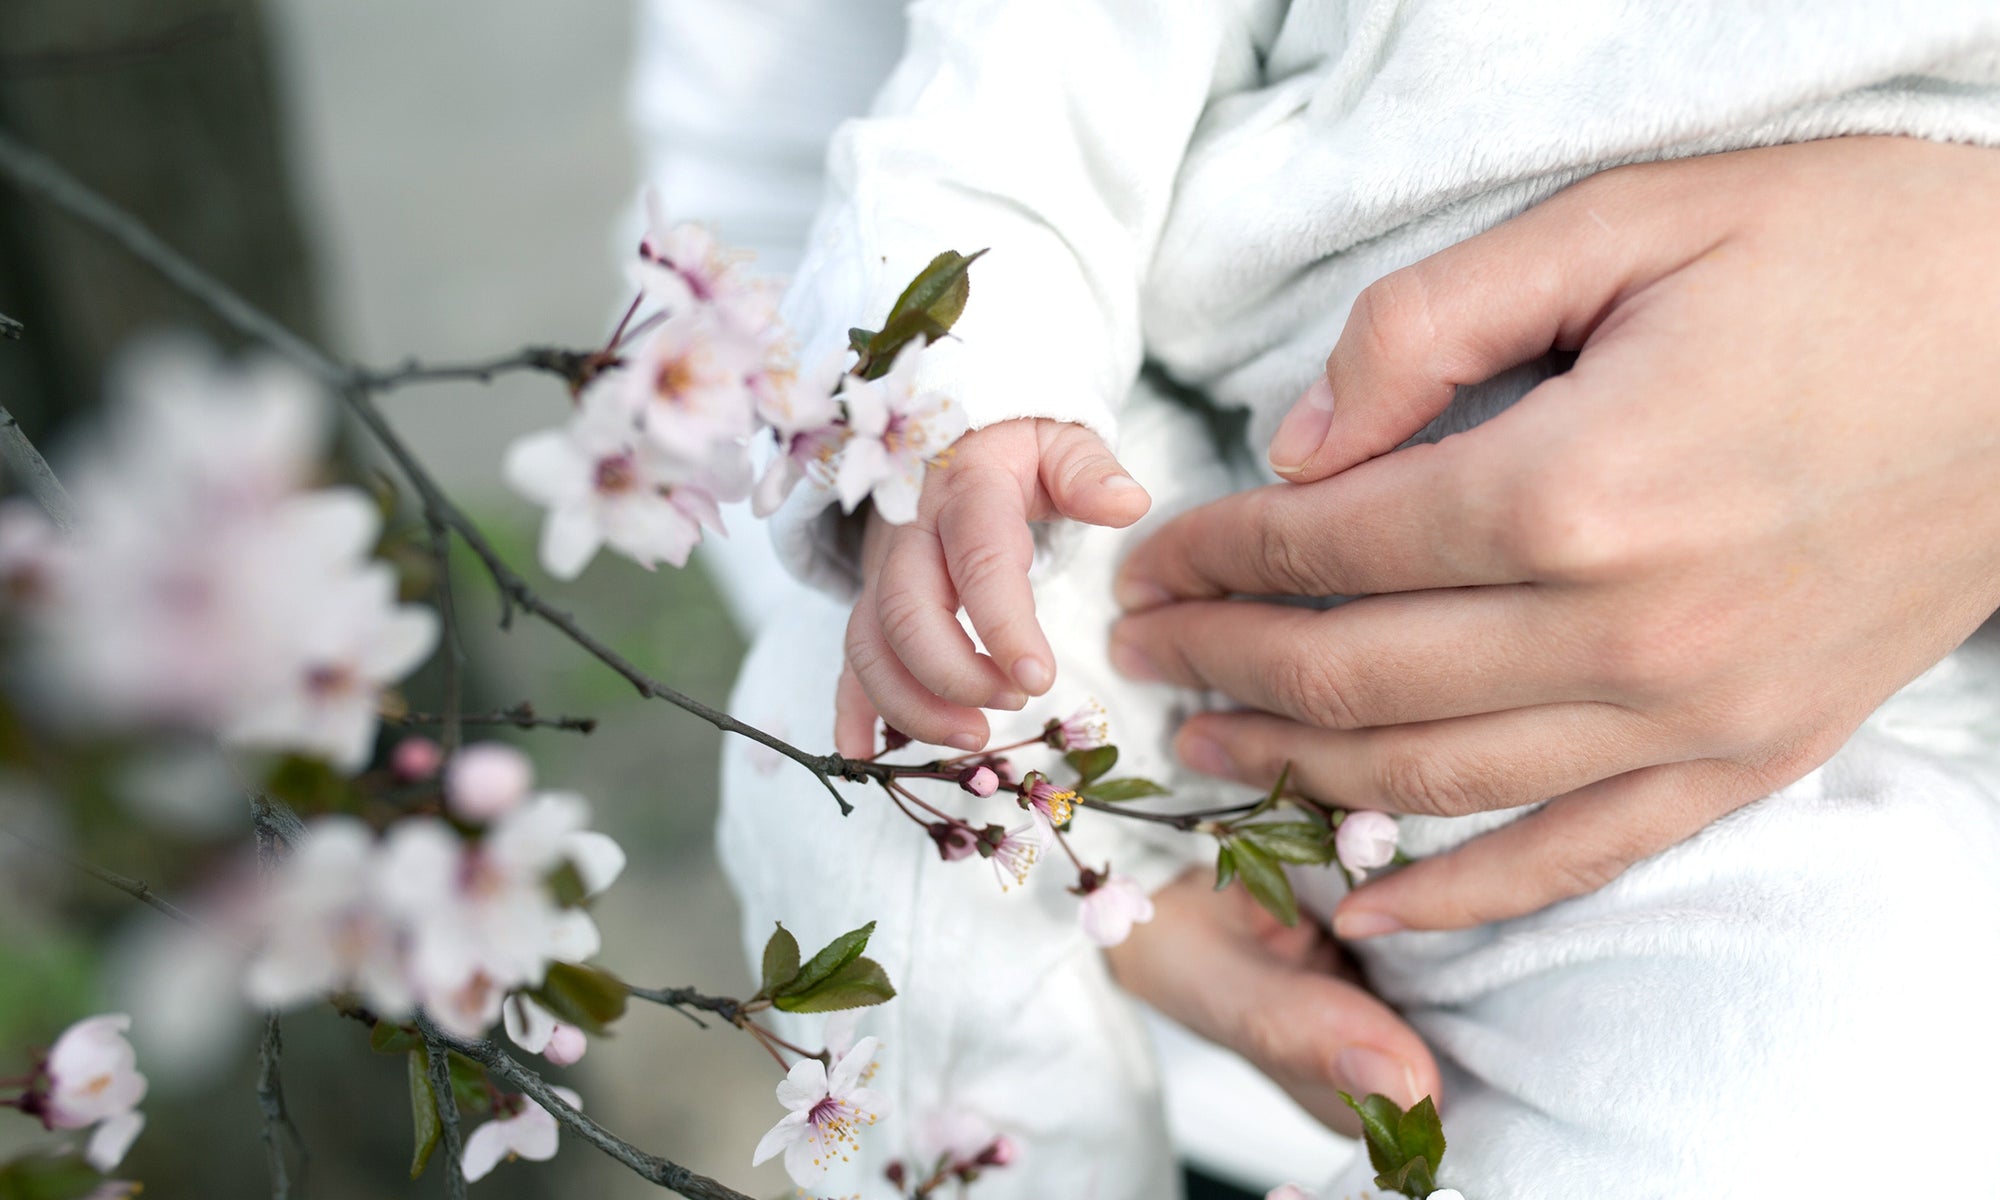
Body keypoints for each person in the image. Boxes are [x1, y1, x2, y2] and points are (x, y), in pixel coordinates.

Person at [683, 1, 2000, 1195]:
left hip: (1794, 739)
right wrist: (961, 412)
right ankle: (997, 1170)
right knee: (849, 732)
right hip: (1186, 546)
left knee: (1824, 1085)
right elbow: (1006, 99)